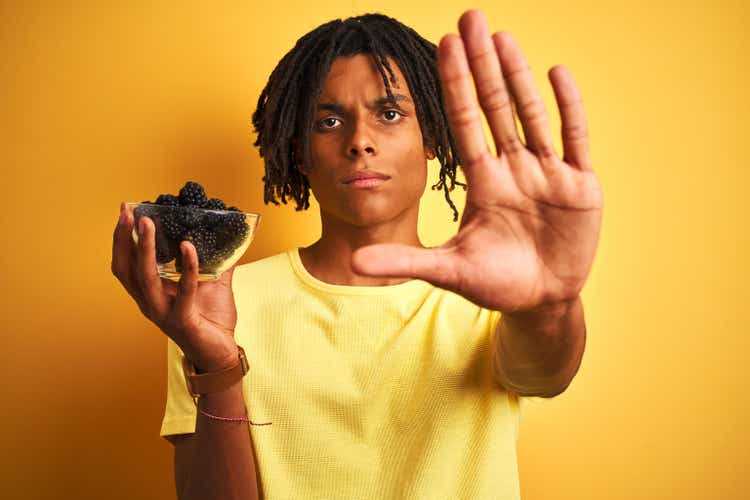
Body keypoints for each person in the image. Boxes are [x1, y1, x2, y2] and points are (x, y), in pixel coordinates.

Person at [111, 9, 601, 500]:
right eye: (328, 121)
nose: (360, 142)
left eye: (389, 114)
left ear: (430, 136)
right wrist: (214, 360)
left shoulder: (492, 294)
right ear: (299, 151)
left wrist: (549, 303)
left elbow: (544, 372)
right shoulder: (214, 302)